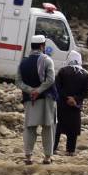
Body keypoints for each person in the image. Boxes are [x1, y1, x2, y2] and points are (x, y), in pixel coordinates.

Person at [16, 35, 58, 165]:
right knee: (48, 127)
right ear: (42, 46)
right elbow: (50, 80)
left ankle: (28, 156)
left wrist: (31, 91)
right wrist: (38, 90)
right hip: (47, 99)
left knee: (30, 128)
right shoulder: (47, 60)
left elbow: (18, 81)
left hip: (30, 100)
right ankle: (47, 157)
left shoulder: (23, 62)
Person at [54, 50, 88, 156]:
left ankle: (53, 148)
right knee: (72, 129)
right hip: (75, 106)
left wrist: (66, 98)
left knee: (57, 128)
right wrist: (75, 99)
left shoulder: (62, 71)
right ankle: (70, 150)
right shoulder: (85, 74)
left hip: (62, 105)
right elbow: (86, 92)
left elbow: (57, 88)